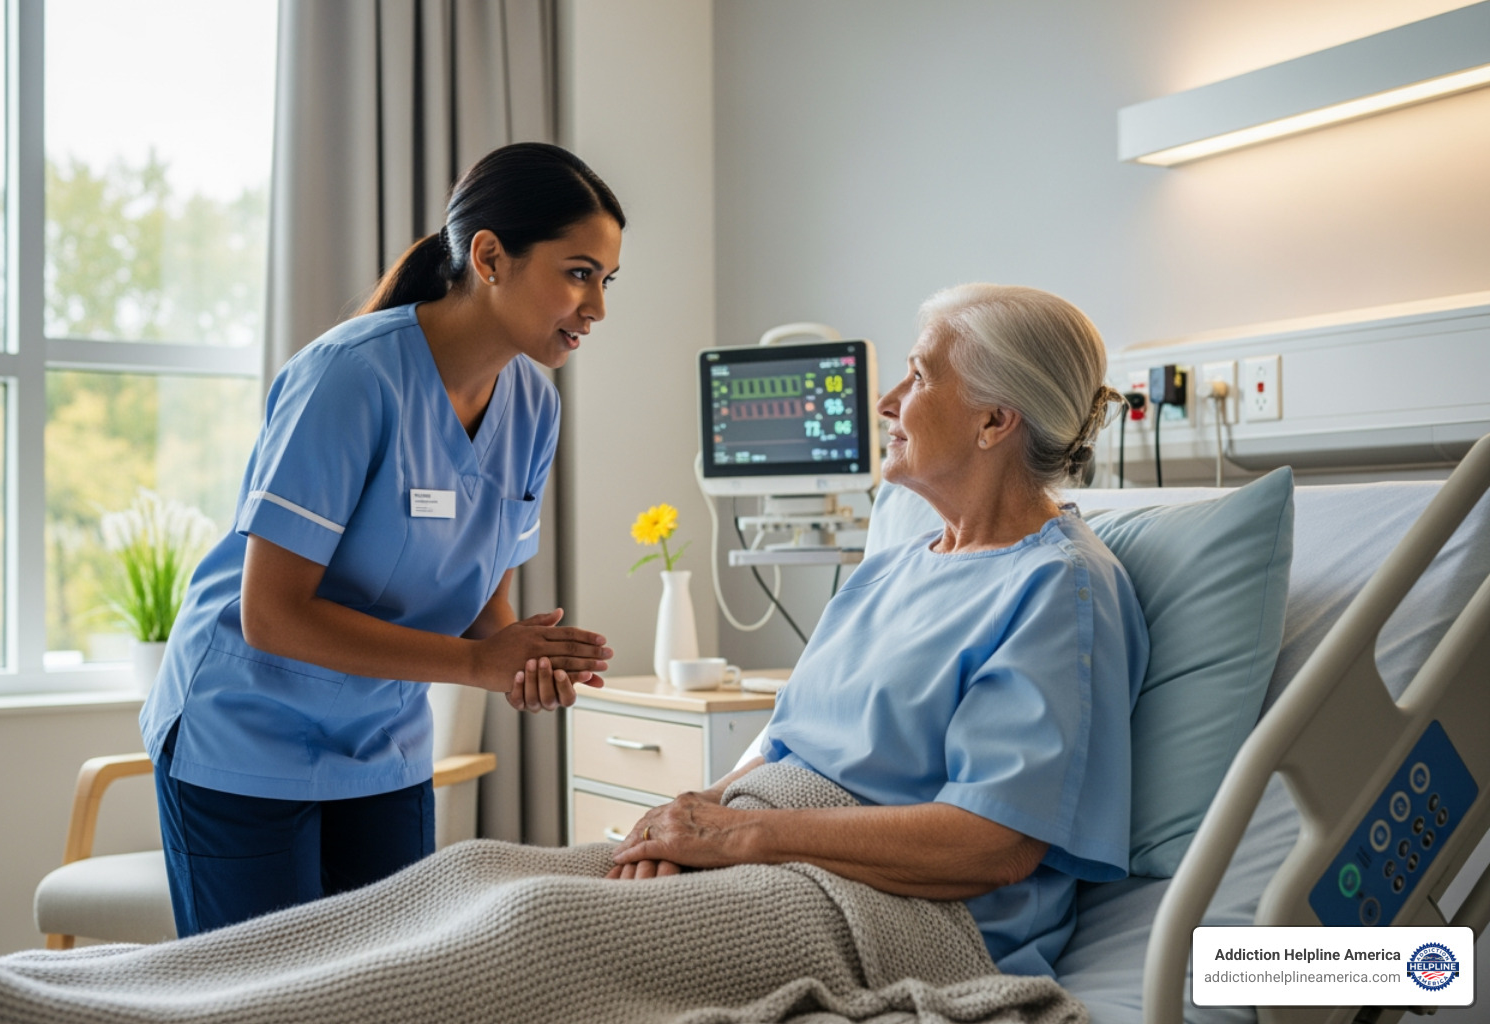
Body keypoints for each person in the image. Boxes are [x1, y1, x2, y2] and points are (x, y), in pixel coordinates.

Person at [140, 142, 622, 937]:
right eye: (578, 273)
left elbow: (485, 606)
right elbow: (272, 616)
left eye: (607, 280)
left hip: (382, 744)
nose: (596, 306)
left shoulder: (534, 408)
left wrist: (523, 661)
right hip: (244, 733)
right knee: (263, 990)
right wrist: (477, 665)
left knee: (388, 981)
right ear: (490, 258)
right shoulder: (349, 377)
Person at [607, 283, 1149, 979]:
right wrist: (688, 816)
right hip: (778, 861)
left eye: (918, 376)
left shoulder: (1058, 587)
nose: (888, 402)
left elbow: (994, 841)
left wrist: (739, 834)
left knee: (531, 933)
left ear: (993, 421)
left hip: (907, 919)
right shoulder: (891, 567)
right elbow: (784, 744)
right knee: (488, 877)